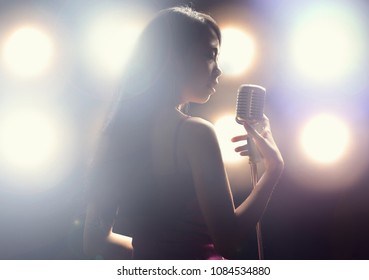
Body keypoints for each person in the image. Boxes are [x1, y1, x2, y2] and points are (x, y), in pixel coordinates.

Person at [83, 6, 284, 260]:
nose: (218, 70)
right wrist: (274, 168)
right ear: (176, 58)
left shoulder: (116, 137)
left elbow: (94, 243)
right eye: (210, 55)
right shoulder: (196, 133)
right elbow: (228, 240)